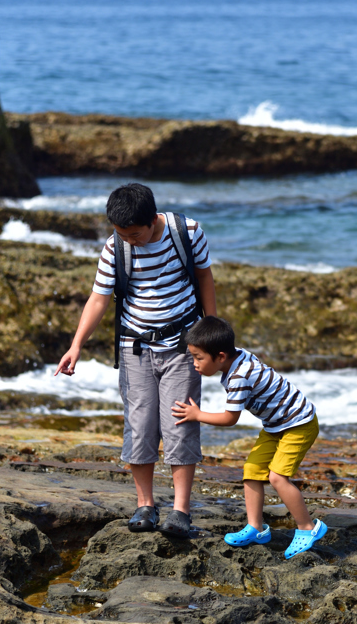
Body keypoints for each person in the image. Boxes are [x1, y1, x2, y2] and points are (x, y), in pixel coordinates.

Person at [55, 183, 216, 538]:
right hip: (134, 348)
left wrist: (210, 331)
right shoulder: (116, 247)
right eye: (121, 233)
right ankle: (145, 504)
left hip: (181, 345)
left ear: (151, 220)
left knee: (180, 423)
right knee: (140, 424)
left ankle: (180, 510)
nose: (129, 240)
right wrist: (76, 344)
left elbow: (204, 277)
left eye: (134, 234)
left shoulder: (187, 232)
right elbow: (98, 299)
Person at [171, 316, 327, 559]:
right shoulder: (237, 356)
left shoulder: (238, 378)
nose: (194, 364)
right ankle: (256, 528)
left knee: (277, 477)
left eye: (198, 357)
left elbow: (230, 419)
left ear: (221, 356)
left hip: (299, 423)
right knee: (252, 469)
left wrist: (197, 414)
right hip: (276, 425)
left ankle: (308, 528)